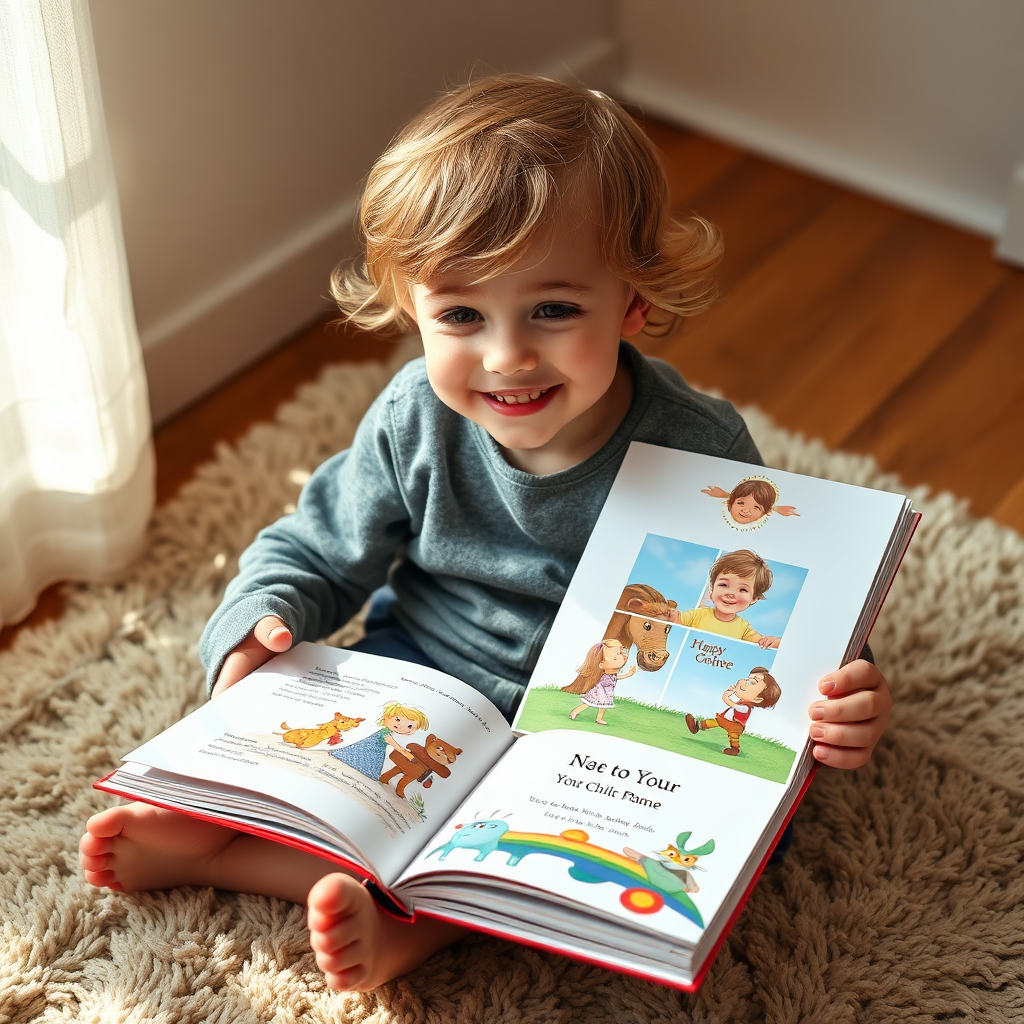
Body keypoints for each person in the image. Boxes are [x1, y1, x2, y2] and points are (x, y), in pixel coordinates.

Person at [79, 75, 892, 991]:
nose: (507, 356)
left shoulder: (708, 455)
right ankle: (224, 832)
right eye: (462, 315)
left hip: (610, 723)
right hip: (429, 673)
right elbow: (310, 549)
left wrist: (843, 697)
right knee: (347, 775)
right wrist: (257, 629)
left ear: (632, 302)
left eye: (553, 309)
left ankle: (370, 917)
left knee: (701, 850)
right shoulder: (413, 419)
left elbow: (786, 621)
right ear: (412, 309)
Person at [675, 549, 782, 647]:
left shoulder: (743, 628)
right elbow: (676, 618)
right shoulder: (698, 614)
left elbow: (762, 642)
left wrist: (773, 642)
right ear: (712, 589)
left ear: (754, 598)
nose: (730, 594)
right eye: (724, 585)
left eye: (742, 589)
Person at [684, 667, 782, 756]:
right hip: (725, 720)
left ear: (757, 699)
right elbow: (726, 698)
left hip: (735, 725)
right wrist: (730, 692)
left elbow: (728, 701)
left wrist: (729, 694)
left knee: (733, 737)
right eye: (748, 678)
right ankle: (696, 726)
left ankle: (735, 749)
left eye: (752, 682)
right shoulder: (740, 701)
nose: (745, 681)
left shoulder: (745, 707)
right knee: (714, 722)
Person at [564, 638, 637, 724]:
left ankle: (599, 719)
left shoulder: (612, 674)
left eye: (620, 652)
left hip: (607, 693)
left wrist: (629, 673)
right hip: (600, 691)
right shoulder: (604, 673)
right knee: (590, 702)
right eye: (615, 657)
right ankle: (575, 711)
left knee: (603, 705)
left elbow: (617, 677)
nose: (620, 656)